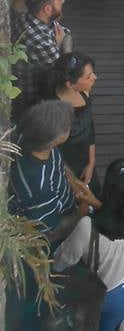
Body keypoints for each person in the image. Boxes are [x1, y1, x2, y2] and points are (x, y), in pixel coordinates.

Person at [54, 159, 124, 331]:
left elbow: (63, 260)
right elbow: (123, 222)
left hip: (97, 291)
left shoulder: (87, 227)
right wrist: (98, 204)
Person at [8, 100, 99, 244]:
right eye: (67, 126)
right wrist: (82, 211)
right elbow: (50, 231)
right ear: (55, 140)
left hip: (67, 200)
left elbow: (58, 163)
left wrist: (75, 183)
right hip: (60, 221)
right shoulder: (39, 188)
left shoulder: (29, 136)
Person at [38, 52, 99, 192]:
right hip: (65, 169)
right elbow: (51, 151)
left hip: (85, 161)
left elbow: (90, 127)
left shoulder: (84, 93)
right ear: (70, 84)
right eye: (88, 76)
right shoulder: (53, 110)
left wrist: (91, 162)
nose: (95, 78)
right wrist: (73, 181)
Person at [11, 0, 70, 112]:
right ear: (47, 9)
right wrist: (58, 44)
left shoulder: (27, 16)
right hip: (32, 99)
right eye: (60, 0)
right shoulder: (42, 43)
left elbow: (65, 32)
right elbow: (64, 71)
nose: (63, 1)